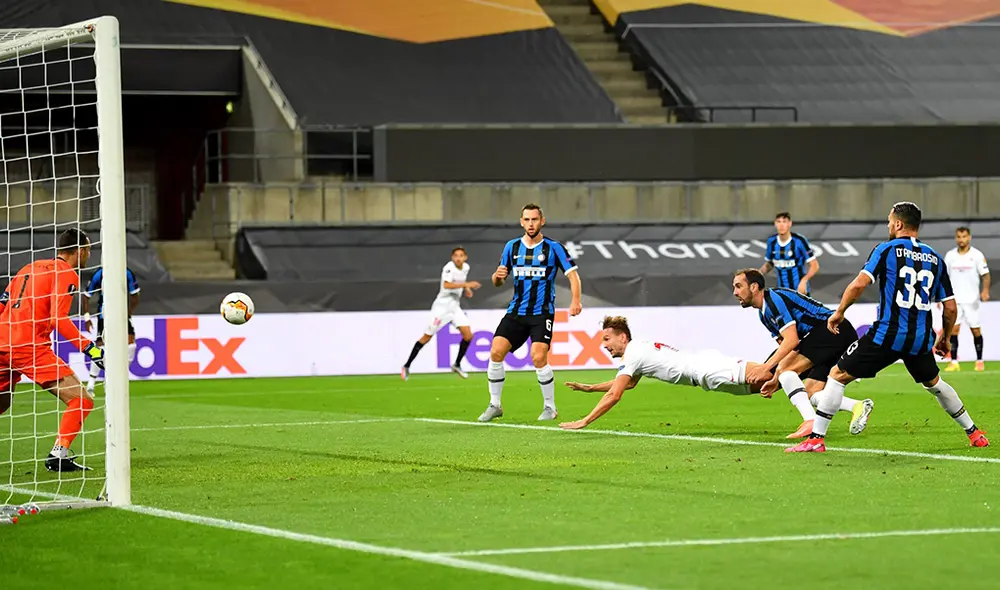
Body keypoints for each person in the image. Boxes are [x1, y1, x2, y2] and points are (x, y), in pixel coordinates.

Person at [789, 202, 989, 453]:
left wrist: (839, 312)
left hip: (887, 335)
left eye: (888, 221)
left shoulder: (886, 250)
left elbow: (860, 284)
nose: (887, 225)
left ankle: (816, 440)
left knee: (837, 376)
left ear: (898, 224)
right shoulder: (935, 258)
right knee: (935, 383)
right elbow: (950, 308)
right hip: (919, 338)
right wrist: (945, 338)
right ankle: (974, 433)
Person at [0, 228, 105, 472]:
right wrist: (90, 349)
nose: (89, 255)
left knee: (2, 405)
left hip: (3, 341)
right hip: (29, 347)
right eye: (88, 250)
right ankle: (59, 455)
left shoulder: (30, 267)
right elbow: (59, 319)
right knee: (81, 400)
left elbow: (3, 304)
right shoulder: (67, 273)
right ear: (79, 251)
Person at [733, 269, 874, 439]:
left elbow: (791, 341)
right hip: (832, 337)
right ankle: (858, 406)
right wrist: (774, 377)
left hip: (831, 329)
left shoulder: (774, 300)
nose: (735, 292)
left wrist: (768, 368)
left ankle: (810, 422)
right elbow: (788, 347)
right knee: (810, 393)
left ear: (754, 287)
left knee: (786, 371)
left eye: (739, 286)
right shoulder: (763, 315)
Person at [559, 315, 765, 430]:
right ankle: (793, 372)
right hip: (702, 377)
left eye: (606, 339)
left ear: (622, 338)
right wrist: (591, 388)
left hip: (705, 369)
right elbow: (629, 384)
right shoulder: (636, 350)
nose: (604, 345)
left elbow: (615, 394)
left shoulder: (632, 354)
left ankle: (794, 359)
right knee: (763, 385)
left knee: (765, 373)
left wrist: (584, 421)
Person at [479, 204, 582, 422]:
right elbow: (498, 281)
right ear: (521, 221)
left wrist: (575, 300)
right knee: (496, 351)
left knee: (538, 356)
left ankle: (550, 407)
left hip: (541, 313)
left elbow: (573, 276)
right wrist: (497, 277)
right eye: (527, 220)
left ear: (542, 221)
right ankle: (495, 404)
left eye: (534, 219)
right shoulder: (512, 247)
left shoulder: (553, 248)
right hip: (516, 311)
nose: (531, 224)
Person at [401, 247, 481, 380]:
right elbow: (447, 285)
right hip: (441, 308)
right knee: (427, 337)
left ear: (465, 257)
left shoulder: (466, 267)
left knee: (468, 336)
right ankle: (407, 365)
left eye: (461, 256)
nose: (458, 258)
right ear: (452, 258)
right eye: (456, 256)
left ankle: (456, 364)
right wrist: (467, 284)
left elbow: (460, 281)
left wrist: (466, 288)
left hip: (455, 306)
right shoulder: (449, 268)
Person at [83, 265, 141, 393]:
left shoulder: (126, 272)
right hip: (104, 315)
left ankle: (118, 379)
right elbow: (86, 295)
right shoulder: (99, 274)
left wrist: (128, 313)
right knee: (100, 347)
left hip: (122, 316)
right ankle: (91, 384)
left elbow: (135, 295)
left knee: (131, 345)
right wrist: (87, 317)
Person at [943, 226, 990, 372]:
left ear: (969, 237)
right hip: (955, 300)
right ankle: (954, 361)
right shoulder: (950, 256)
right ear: (956, 238)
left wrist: (985, 291)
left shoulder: (976, 255)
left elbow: (986, 275)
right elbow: (944, 278)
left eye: (964, 236)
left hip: (972, 299)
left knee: (975, 330)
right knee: (954, 330)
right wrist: (942, 297)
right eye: (959, 236)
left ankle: (980, 360)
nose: (961, 239)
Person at [759, 212, 819, 295]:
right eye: (779, 222)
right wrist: (759, 273)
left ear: (790, 223)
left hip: (800, 291)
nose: (781, 225)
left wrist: (804, 281)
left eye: (784, 222)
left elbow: (814, 265)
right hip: (782, 292)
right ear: (775, 224)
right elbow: (769, 263)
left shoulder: (799, 241)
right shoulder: (771, 241)